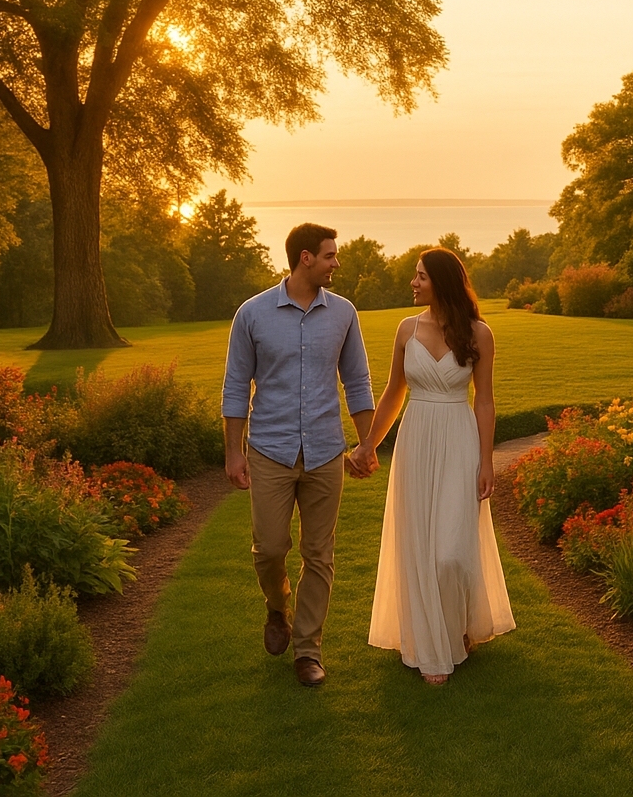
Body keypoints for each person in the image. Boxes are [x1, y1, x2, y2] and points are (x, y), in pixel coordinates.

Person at [350, 247, 515, 684]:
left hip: (459, 440)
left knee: (452, 553)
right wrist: (369, 445)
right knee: (420, 544)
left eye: (420, 276)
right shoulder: (406, 329)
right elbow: (392, 394)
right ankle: (432, 646)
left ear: (440, 281)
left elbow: (484, 401)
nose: (413, 282)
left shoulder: (479, 333)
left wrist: (486, 461)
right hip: (416, 440)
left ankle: (458, 624)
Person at [221, 223, 375, 688]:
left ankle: (308, 650)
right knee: (269, 549)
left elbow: (358, 382)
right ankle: (277, 606)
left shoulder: (344, 314)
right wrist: (233, 453)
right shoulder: (252, 314)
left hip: (326, 450)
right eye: (330, 255)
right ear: (305, 258)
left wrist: (366, 444)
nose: (336, 262)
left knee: (319, 553)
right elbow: (234, 387)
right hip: (270, 449)